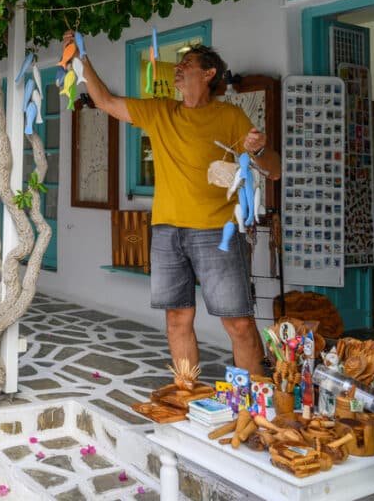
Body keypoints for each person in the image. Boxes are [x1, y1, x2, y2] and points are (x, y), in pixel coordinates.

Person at [64, 32, 281, 375]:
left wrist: (256, 150)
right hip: (167, 232)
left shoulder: (230, 117)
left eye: (186, 64)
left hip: (217, 233)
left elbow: (274, 171)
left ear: (209, 74)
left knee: (238, 323)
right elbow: (104, 101)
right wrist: (82, 58)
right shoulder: (159, 112)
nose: (177, 69)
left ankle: (257, 403)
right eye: (178, 64)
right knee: (177, 320)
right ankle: (186, 397)